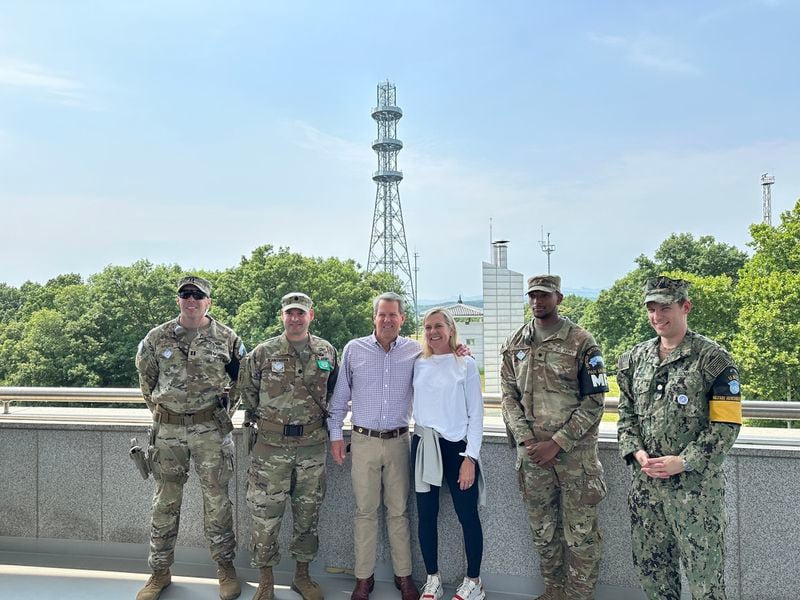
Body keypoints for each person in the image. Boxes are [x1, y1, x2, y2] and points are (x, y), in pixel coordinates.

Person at [617, 276, 742, 600]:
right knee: (654, 578)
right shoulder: (635, 360)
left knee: (706, 584)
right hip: (647, 493)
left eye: (666, 308)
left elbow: (726, 426)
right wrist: (636, 451)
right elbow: (626, 416)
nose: (658, 316)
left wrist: (684, 461)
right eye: (652, 308)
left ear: (685, 307)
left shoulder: (713, 360)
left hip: (695, 496)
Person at [135, 276, 246, 600]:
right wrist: (162, 411)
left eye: (198, 295)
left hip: (210, 430)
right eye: (186, 294)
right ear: (179, 300)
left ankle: (225, 568)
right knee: (165, 502)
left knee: (217, 502)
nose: (192, 300)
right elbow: (146, 379)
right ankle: (159, 572)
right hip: (168, 431)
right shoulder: (157, 338)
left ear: (208, 301)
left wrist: (226, 412)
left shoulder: (226, 337)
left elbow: (243, 378)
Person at [500, 274, 609, 600]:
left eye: (545, 295)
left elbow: (595, 401)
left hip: (574, 459)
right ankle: (554, 592)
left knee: (580, 536)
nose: (538, 301)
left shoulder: (582, 342)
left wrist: (557, 443)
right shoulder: (515, 342)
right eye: (533, 295)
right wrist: (527, 441)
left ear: (559, 298)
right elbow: (508, 397)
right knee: (543, 533)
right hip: (533, 457)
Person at [238, 292, 339, 600]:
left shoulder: (327, 351)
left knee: (308, 512)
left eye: (301, 313)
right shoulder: (262, 353)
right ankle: (266, 579)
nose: (295, 318)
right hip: (270, 447)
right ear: (282, 315)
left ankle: (302, 576)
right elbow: (248, 393)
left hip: (311, 446)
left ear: (311, 315)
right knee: (265, 515)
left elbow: (332, 392)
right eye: (290, 313)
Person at [327, 292, 421, 600]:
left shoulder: (415, 351)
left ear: (402, 319)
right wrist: (336, 436)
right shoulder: (354, 349)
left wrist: (462, 352)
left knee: (399, 512)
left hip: (398, 442)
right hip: (363, 441)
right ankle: (363, 578)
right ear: (374, 317)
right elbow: (339, 398)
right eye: (382, 314)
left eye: (393, 315)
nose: (388, 319)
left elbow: (441, 367)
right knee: (365, 512)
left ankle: (404, 576)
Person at [412, 308, 485, 600]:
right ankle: (433, 579)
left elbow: (476, 416)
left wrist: (471, 458)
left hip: (458, 448)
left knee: (467, 515)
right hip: (424, 446)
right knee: (426, 515)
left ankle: (474, 582)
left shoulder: (465, 364)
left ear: (451, 328)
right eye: (428, 327)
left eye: (438, 326)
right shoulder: (417, 363)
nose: (433, 332)